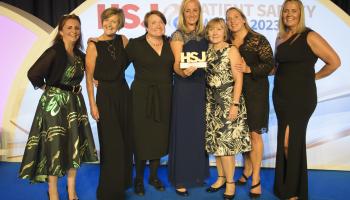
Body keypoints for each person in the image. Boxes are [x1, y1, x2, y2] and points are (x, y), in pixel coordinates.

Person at [19, 14, 98, 200]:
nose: (74, 31)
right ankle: (53, 191)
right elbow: (33, 73)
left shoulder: (80, 55)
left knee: (74, 146)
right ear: (61, 31)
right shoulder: (54, 51)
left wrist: (96, 43)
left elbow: (93, 68)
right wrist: (49, 89)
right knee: (54, 148)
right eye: (69, 27)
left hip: (75, 104)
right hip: (54, 105)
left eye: (77, 28)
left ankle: (71, 191)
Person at [273, 0, 341, 199]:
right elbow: (279, 68)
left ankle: (294, 191)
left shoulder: (310, 36)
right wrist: (253, 69)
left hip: (301, 98)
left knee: (289, 143)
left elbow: (334, 61)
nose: (289, 14)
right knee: (285, 142)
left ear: (300, 13)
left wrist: (315, 76)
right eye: (286, 11)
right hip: (281, 97)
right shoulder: (280, 37)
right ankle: (286, 186)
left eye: (293, 11)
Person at [225, 7, 274, 198]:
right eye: (229, 19)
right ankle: (246, 170)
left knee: (254, 135)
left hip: (255, 92)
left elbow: (270, 64)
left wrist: (249, 68)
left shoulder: (258, 39)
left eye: (236, 17)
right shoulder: (227, 42)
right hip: (235, 93)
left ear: (243, 19)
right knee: (243, 134)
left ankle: (256, 179)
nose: (233, 21)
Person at [125, 10, 174, 196]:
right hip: (141, 98)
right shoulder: (135, 44)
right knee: (141, 138)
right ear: (146, 26)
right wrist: (100, 78)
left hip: (165, 96)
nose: (158, 25)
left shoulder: (171, 43)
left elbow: (180, 65)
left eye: (160, 22)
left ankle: (153, 177)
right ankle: (138, 179)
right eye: (153, 22)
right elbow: (118, 65)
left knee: (159, 137)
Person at [85, 8, 132, 200]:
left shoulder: (124, 40)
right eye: (107, 20)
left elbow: (128, 61)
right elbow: (89, 79)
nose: (110, 24)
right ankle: (108, 192)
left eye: (114, 21)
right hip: (105, 97)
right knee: (111, 144)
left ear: (119, 24)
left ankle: (122, 184)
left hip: (124, 93)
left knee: (126, 141)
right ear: (102, 21)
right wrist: (93, 104)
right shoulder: (93, 45)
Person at [204, 17, 251, 200]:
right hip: (211, 103)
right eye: (211, 30)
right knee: (217, 144)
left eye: (218, 29)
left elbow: (239, 79)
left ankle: (230, 183)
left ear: (224, 32)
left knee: (226, 146)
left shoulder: (231, 50)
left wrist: (235, 104)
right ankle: (221, 178)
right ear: (207, 33)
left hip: (228, 102)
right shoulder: (207, 51)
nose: (214, 33)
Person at [167, 0, 209, 196]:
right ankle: (181, 177)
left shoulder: (206, 34)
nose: (191, 14)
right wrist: (184, 73)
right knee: (184, 131)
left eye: (195, 10)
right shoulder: (178, 35)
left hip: (202, 88)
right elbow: (176, 65)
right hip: (185, 88)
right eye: (187, 11)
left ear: (199, 13)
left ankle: (197, 174)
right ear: (183, 13)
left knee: (199, 131)